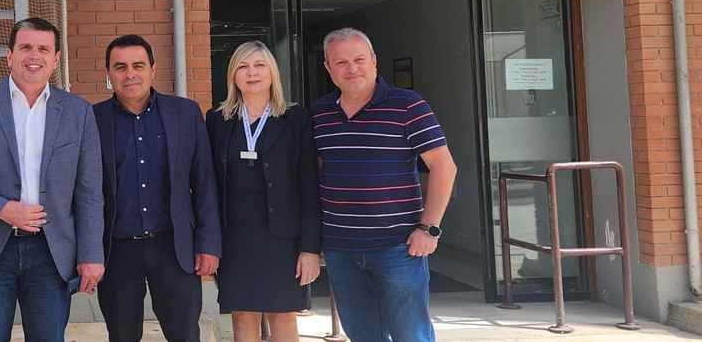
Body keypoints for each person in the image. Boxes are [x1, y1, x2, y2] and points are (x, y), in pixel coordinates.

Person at [0, 17, 104, 342]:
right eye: (25, 47)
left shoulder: (79, 112)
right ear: (9, 55)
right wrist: (1, 208)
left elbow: (90, 191)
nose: (34, 56)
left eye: (43, 49)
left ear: (56, 59)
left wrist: (91, 254)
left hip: (51, 251)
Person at [314, 28, 457, 342]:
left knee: (411, 335)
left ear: (374, 61)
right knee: (362, 334)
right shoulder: (319, 113)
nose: (351, 68)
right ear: (328, 68)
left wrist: (429, 228)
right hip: (340, 248)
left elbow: (444, 166)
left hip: (398, 247)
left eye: (359, 59)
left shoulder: (407, 105)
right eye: (341, 62)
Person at [93, 35, 220, 342]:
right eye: (120, 67)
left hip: (174, 247)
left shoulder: (185, 113)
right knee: (122, 336)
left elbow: (204, 182)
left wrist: (208, 243)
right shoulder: (93, 119)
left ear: (152, 69)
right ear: (108, 73)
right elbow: (85, 192)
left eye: (138, 65)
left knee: (185, 335)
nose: (130, 74)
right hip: (117, 251)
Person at [205, 41, 320, 342]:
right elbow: (209, 185)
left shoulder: (295, 119)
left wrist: (310, 249)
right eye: (243, 66)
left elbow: (309, 185)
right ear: (233, 75)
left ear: (273, 73)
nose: (252, 73)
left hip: (283, 240)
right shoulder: (217, 120)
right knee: (243, 315)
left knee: (282, 314)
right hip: (235, 240)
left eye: (259, 65)